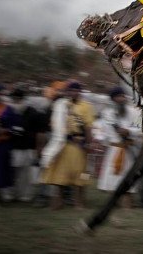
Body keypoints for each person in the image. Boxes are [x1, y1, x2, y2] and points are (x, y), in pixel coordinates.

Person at [40, 81, 96, 210]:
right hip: (62, 145)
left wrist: (88, 143)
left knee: (81, 175)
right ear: (67, 92)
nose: (73, 93)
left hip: (79, 146)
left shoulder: (86, 106)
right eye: (71, 91)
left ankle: (79, 203)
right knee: (59, 176)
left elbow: (88, 126)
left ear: (80, 92)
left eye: (76, 91)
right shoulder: (61, 105)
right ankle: (58, 202)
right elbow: (55, 126)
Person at [96, 87, 142, 208]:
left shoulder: (134, 112)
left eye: (122, 96)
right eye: (118, 97)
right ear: (113, 99)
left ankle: (128, 206)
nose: (121, 99)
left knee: (128, 179)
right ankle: (114, 205)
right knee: (112, 178)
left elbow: (141, 129)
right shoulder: (107, 113)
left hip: (129, 150)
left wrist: (129, 131)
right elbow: (101, 131)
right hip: (114, 150)